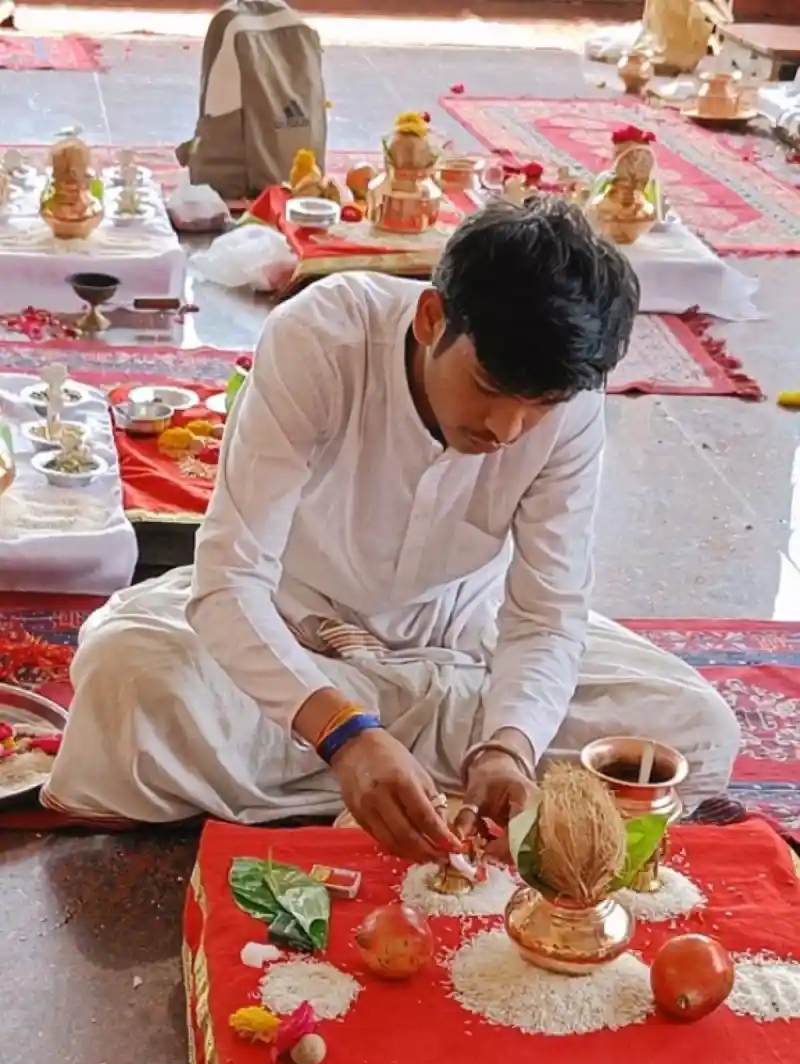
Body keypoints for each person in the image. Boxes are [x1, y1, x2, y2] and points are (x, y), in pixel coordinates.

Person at [44, 199, 740, 856]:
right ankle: (380, 763)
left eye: (540, 408)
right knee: (126, 674)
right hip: (296, 626)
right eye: (492, 389)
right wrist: (342, 732)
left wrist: (509, 746)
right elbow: (230, 582)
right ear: (433, 317)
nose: (507, 429)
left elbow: (546, 615)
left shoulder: (573, 404)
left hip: (464, 639)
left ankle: (372, 770)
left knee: (695, 732)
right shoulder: (321, 337)